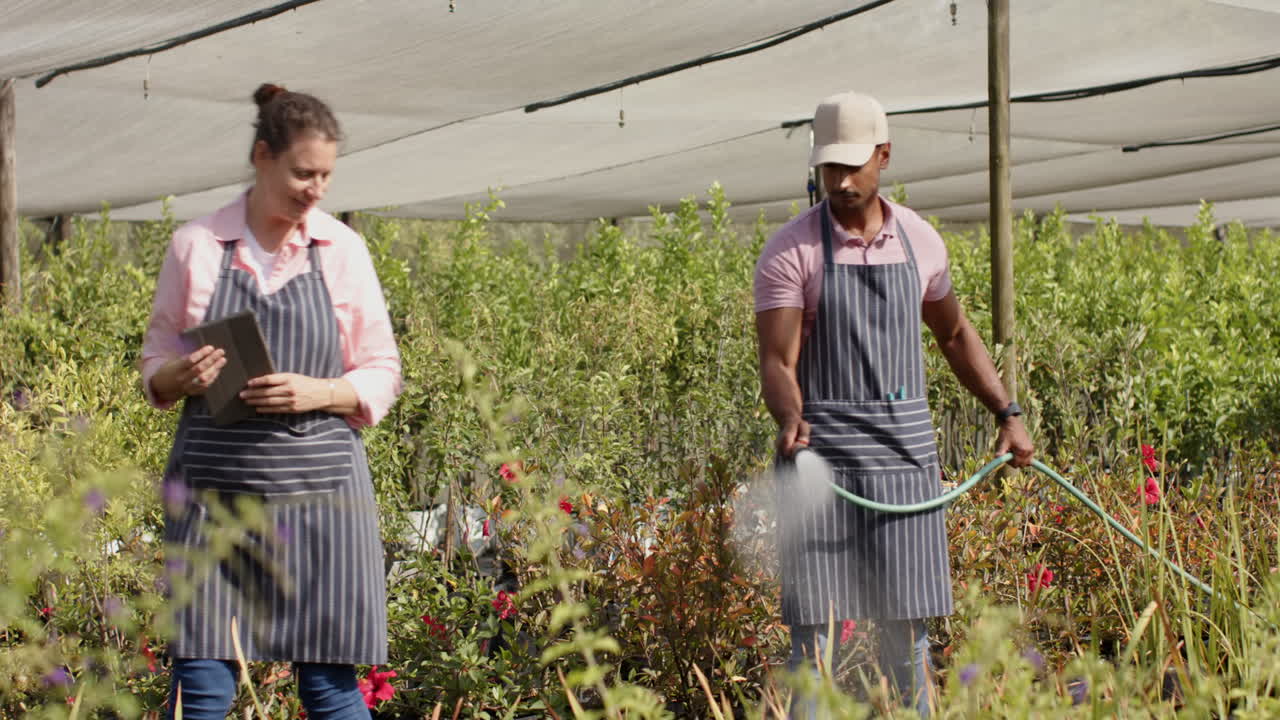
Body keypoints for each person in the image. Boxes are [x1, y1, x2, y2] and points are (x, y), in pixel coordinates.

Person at [754, 91, 1034, 717]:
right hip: (819, 467)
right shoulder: (792, 251)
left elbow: (955, 335)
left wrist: (1007, 414)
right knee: (815, 650)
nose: (842, 181)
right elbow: (778, 361)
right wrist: (791, 418)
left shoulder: (922, 243)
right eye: (831, 168)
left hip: (906, 466)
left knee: (907, 643)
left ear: (885, 155)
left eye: (855, 165)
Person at [139, 83, 402, 719]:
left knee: (330, 690)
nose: (316, 189)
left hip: (322, 498)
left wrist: (323, 391)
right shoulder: (197, 248)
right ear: (262, 156)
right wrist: (181, 375)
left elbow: (383, 369)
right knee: (202, 687)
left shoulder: (341, 251)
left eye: (326, 176)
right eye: (302, 173)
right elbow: (153, 366)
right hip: (215, 496)